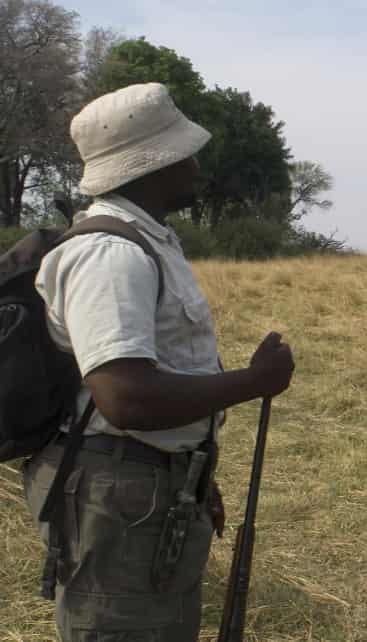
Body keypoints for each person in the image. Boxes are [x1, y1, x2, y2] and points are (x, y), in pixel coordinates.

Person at [23, 83, 296, 641]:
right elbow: (126, 398)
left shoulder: (151, 241)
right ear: (152, 165)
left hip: (149, 486)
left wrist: (193, 476)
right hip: (117, 494)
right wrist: (253, 381)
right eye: (184, 152)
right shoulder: (111, 255)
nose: (197, 165)